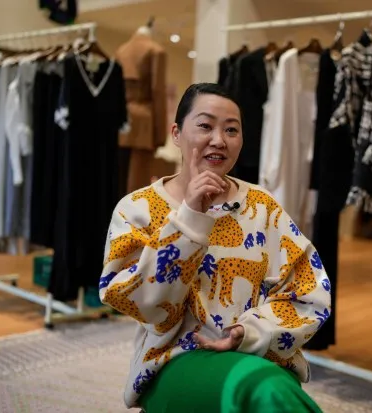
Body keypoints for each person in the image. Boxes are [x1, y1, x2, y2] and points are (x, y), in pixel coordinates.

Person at [99, 83, 332, 412]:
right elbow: (144, 304)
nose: (219, 140)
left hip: (257, 353)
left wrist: (244, 333)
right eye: (205, 126)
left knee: (270, 388)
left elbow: (308, 293)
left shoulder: (262, 207)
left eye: (232, 130)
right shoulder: (137, 208)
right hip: (175, 358)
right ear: (177, 133)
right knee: (267, 393)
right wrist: (191, 216)